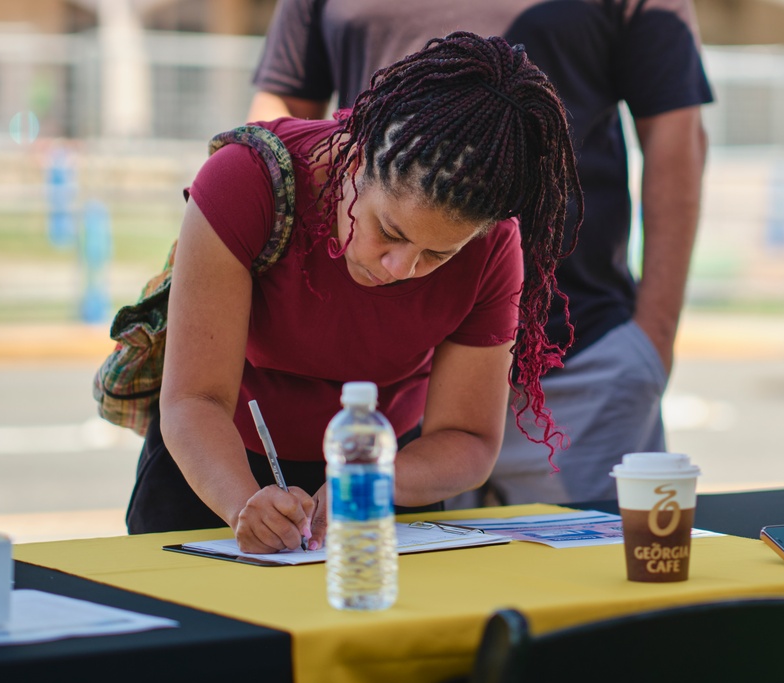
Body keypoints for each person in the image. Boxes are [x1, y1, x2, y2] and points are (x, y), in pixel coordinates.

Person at [127, 32, 582, 553]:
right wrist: (242, 504)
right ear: (357, 157)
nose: (402, 268)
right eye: (390, 231)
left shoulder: (494, 245)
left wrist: (369, 483)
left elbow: (469, 439)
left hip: (386, 479)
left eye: (438, 255)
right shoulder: (246, 181)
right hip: (216, 471)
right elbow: (193, 399)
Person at [249, 0, 713, 506]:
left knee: (594, 579)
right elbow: (283, 116)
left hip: (577, 357)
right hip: (384, 377)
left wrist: (653, 339)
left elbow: (676, 134)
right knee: (388, 580)